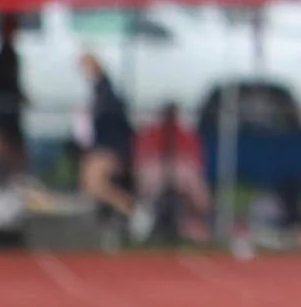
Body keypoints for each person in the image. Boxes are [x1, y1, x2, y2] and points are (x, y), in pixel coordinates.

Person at [131, 102, 213, 244]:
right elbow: (141, 162)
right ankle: (146, 223)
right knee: (151, 184)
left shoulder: (186, 134)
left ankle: (196, 225)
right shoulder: (150, 133)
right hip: (155, 177)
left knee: (195, 187)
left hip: (182, 176)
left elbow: (196, 163)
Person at [76, 53, 137, 233]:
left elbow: (109, 123)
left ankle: (131, 209)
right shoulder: (101, 91)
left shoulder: (105, 92)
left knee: (95, 185)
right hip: (105, 147)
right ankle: (121, 212)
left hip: (109, 147)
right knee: (91, 186)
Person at [0, 14, 24, 186]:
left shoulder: (7, 53)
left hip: (7, 109)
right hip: (6, 109)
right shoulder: (6, 55)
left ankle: (9, 181)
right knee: (7, 146)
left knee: (7, 146)